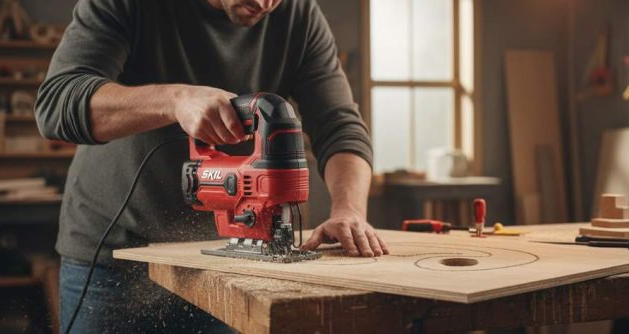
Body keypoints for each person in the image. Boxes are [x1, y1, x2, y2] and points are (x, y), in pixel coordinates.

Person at [35, 0, 389, 332]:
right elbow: (57, 104)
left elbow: (339, 126)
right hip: (114, 257)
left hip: (230, 263)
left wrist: (349, 210)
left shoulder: (299, 13)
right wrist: (176, 100)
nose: (266, 4)